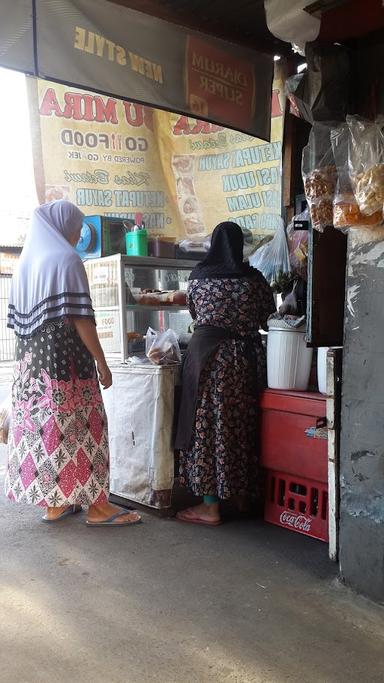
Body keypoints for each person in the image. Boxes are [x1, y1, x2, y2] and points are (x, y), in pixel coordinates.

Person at [5, 200, 141, 526]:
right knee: (86, 429)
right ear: (61, 225)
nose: (79, 235)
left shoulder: (25, 263)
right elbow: (82, 319)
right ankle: (98, 508)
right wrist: (102, 362)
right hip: (68, 370)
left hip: (31, 374)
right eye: (77, 227)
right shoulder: (67, 260)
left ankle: (56, 504)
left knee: (50, 433)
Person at [175, 222, 275, 526]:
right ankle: (243, 497)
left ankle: (210, 506)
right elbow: (267, 315)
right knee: (242, 424)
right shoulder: (254, 280)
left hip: (208, 360)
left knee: (209, 427)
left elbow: (194, 315)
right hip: (244, 360)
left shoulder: (199, 278)